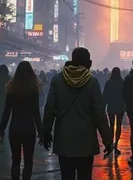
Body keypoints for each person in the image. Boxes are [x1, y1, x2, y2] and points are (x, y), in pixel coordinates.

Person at [43, 47, 112, 180]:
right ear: (87, 62)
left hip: (64, 139)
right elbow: (99, 113)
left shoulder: (58, 80)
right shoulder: (92, 82)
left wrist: (46, 132)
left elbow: (50, 109)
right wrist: (107, 140)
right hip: (86, 141)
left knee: (66, 176)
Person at [0, 61, 42, 180]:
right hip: (29, 128)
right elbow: (36, 113)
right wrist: (41, 131)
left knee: (15, 160)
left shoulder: (11, 89)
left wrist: (1, 130)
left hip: (15, 128)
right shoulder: (33, 89)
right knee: (28, 161)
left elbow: (6, 112)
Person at [102, 67, 125, 154]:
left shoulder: (108, 83)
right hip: (120, 106)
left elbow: (105, 95)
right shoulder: (122, 82)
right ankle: (116, 143)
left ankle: (110, 143)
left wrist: (103, 106)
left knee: (111, 126)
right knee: (118, 125)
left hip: (111, 106)